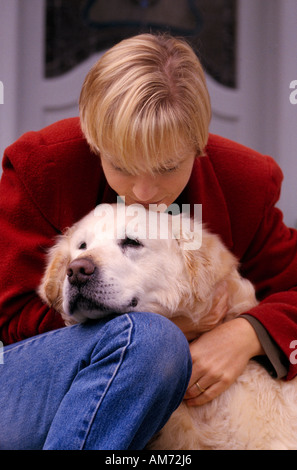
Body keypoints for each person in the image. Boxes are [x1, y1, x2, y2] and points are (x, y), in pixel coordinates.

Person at [0, 33, 296, 450]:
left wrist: (245, 334)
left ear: (199, 145)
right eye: (120, 165)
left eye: (167, 167)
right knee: (154, 342)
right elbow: (13, 318)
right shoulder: (41, 166)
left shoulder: (245, 182)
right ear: (92, 140)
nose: (142, 191)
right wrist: (174, 328)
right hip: (24, 382)